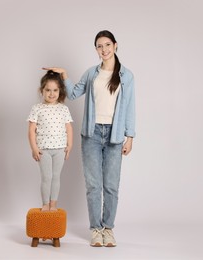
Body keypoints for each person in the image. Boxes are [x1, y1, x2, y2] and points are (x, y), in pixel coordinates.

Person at [43, 30, 135, 247]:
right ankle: (96, 230)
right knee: (94, 185)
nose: (103, 50)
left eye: (107, 45)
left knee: (111, 185)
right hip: (91, 134)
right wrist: (64, 75)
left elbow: (130, 106)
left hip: (114, 134)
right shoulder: (91, 74)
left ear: (115, 45)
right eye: (99, 46)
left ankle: (108, 229)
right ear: (96, 49)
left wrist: (129, 136)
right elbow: (74, 94)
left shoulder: (127, 76)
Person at [27, 70, 73, 212]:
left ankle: (53, 204)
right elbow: (31, 130)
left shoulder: (63, 109)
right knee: (46, 177)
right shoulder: (37, 108)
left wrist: (69, 146)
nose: (51, 94)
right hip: (44, 150)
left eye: (55, 90)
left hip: (60, 149)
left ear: (60, 91)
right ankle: (45, 203)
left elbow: (69, 128)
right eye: (48, 90)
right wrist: (34, 148)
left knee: (56, 177)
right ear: (42, 91)